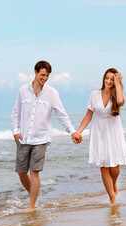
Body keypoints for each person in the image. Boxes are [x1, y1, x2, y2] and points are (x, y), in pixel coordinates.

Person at [11, 60, 82, 213]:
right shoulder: (22, 90)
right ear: (35, 72)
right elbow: (16, 112)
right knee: (21, 172)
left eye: (47, 76)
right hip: (23, 138)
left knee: (34, 172)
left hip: (41, 138)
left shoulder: (52, 93)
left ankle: (31, 206)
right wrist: (15, 131)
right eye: (42, 75)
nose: (45, 78)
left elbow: (61, 114)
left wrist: (72, 131)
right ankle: (34, 197)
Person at [76, 68, 126, 205]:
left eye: (112, 79)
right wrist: (78, 131)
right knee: (104, 166)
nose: (109, 81)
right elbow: (88, 115)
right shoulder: (94, 94)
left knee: (114, 167)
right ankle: (112, 198)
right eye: (107, 78)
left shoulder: (118, 94)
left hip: (113, 132)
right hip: (98, 132)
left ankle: (114, 183)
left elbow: (121, 102)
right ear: (103, 78)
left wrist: (118, 84)